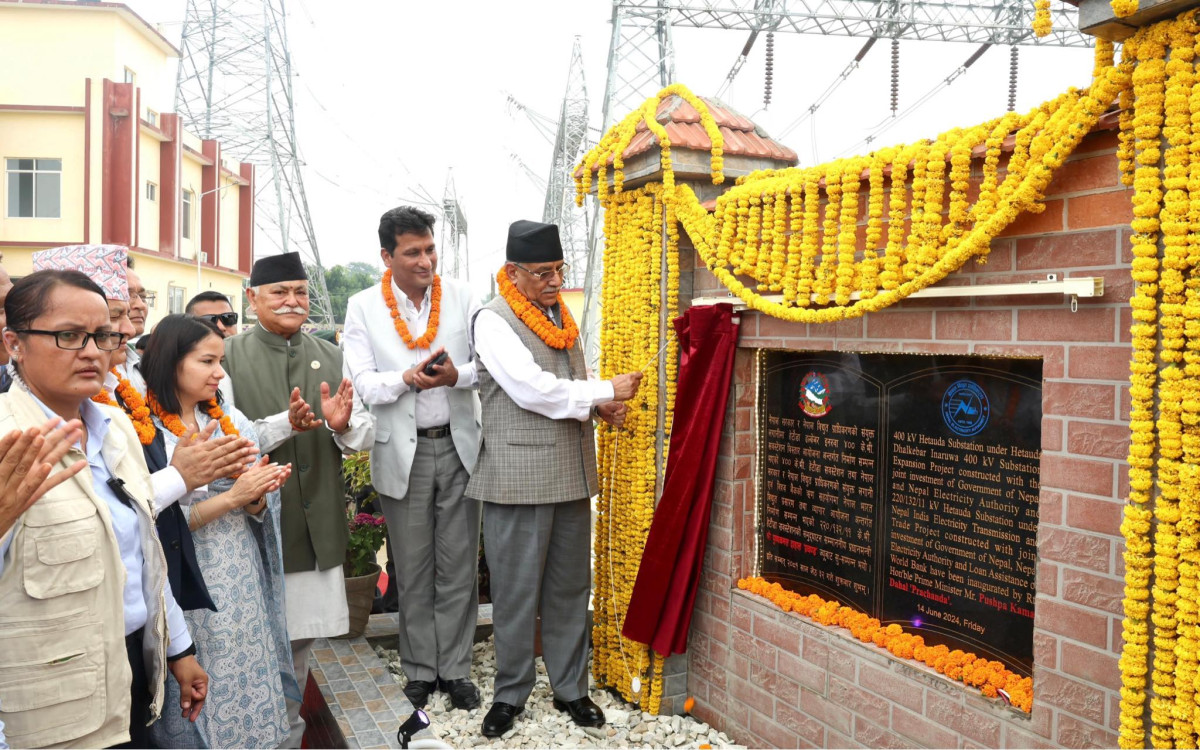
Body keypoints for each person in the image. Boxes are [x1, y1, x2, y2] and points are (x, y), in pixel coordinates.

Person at [0, 269, 208, 748]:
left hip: (133, 674)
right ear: (15, 343)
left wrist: (179, 649)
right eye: (68, 335)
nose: (92, 351)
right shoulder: (8, 442)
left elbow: (142, 555)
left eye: (102, 335)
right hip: (50, 706)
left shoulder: (115, 426)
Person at [468, 220, 642, 738]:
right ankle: (510, 694)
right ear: (512, 272)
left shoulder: (560, 314)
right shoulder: (492, 320)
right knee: (517, 591)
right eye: (542, 272)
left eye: (559, 270)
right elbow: (531, 390)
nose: (553, 280)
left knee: (570, 587)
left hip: (568, 470)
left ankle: (571, 688)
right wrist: (605, 387)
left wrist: (598, 406)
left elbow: (564, 389)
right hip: (517, 475)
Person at [33, 245, 257, 613]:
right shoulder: (20, 415)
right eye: (76, 333)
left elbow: (142, 532)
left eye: (121, 315)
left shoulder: (120, 396)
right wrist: (183, 476)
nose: (126, 327)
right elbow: (104, 512)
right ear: (19, 339)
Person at [221, 251, 374, 747]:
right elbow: (223, 440)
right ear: (252, 299)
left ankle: (288, 734)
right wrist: (287, 426)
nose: (292, 301)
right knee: (247, 640)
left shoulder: (332, 354)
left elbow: (364, 433)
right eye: (278, 292)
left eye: (300, 292)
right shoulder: (225, 357)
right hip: (248, 524)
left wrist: (342, 423)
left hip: (313, 524)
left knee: (299, 643)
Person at [343, 206, 483, 710]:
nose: (425, 262)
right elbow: (361, 383)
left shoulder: (465, 297)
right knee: (413, 566)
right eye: (412, 253)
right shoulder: (362, 306)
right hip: (403, 453)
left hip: (460, 445)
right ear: (387, 256)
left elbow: (486, 366)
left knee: (459, 565)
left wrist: (455, 377)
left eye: (430, 250)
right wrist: (406, 378)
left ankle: (458, 669)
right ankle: (421, 670)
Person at [141, 314, 295, 748]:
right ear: (172, 362)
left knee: (245, 662)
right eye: (207, 361)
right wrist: (231, 497)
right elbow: (154, 521)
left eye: (220, 360)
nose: (219, 372)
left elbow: (253, 500)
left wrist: (257, 494)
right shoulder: (143, 429)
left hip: (239, 568)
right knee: (202, 670)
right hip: (184, 577)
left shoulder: (229, 416)